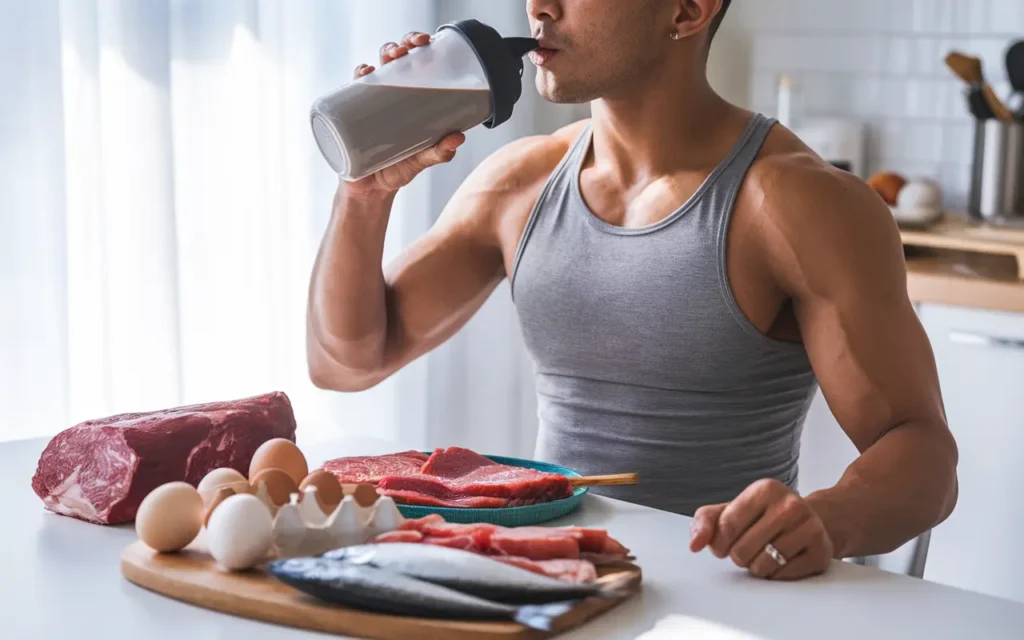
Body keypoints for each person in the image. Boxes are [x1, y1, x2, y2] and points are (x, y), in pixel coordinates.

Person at [306, 0, 958, 581]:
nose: (540, 6)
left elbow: (923, 451)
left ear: (687, 12)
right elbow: (346, 360)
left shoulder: (798, 202)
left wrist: (826, 519)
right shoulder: (519, 183)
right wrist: (365, 194)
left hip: (720, 601)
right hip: (549, 589)